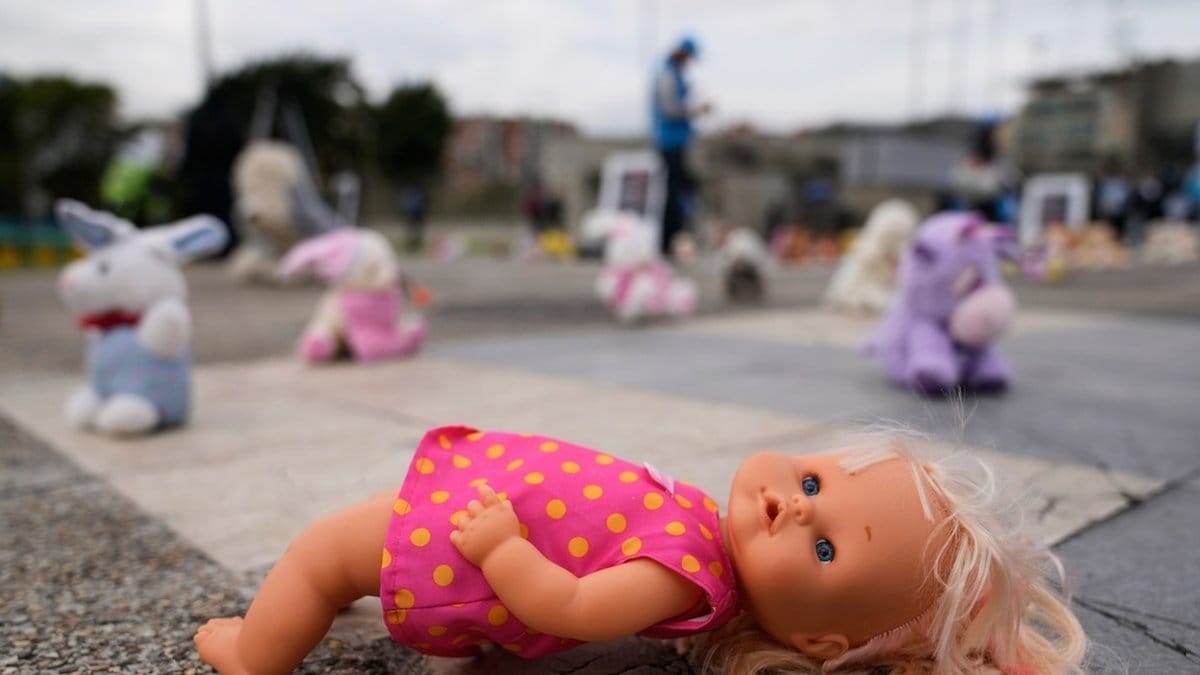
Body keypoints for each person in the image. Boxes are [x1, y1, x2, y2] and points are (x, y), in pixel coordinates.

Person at [195, 425, 1087, 674]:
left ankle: (257, 651)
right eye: (815, 482)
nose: (791, 504)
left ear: (818, 642)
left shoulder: (687, 576)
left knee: (319, 555)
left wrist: (502, 550)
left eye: (822, 550)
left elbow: (575, 606)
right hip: (466, 521)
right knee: (338, 554)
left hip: (456, 543)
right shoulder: (706, 537)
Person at [651, 36, 711, 261]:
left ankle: (676, 239)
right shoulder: (667, 75)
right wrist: (696, 110)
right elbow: (670, 109)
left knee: (682, 190)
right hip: (669, 143)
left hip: (678, 142)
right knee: (673, 193)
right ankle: (667, 242)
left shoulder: (677, 75)